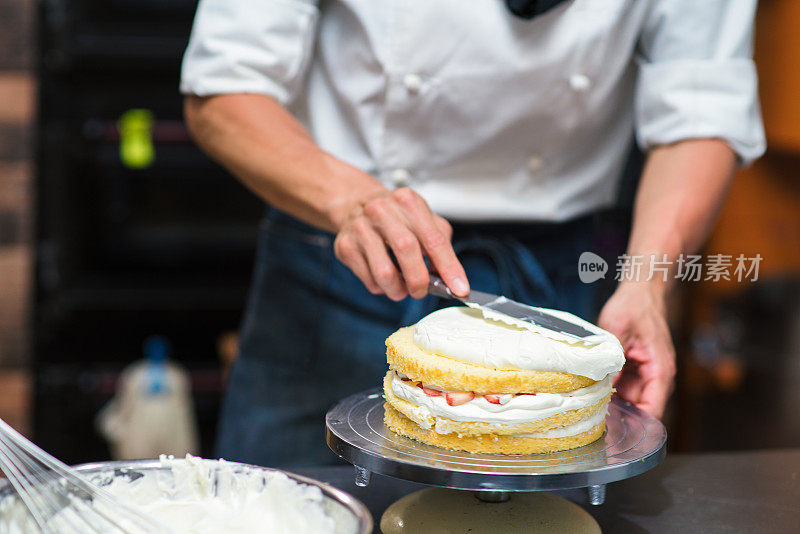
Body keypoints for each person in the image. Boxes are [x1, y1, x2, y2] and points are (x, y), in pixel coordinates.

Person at [180, 0, 764, 467]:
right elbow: (225, 86)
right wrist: (350, 199)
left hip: (560, 286)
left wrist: (646, 286)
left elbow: (702, 107)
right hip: (345, 256)